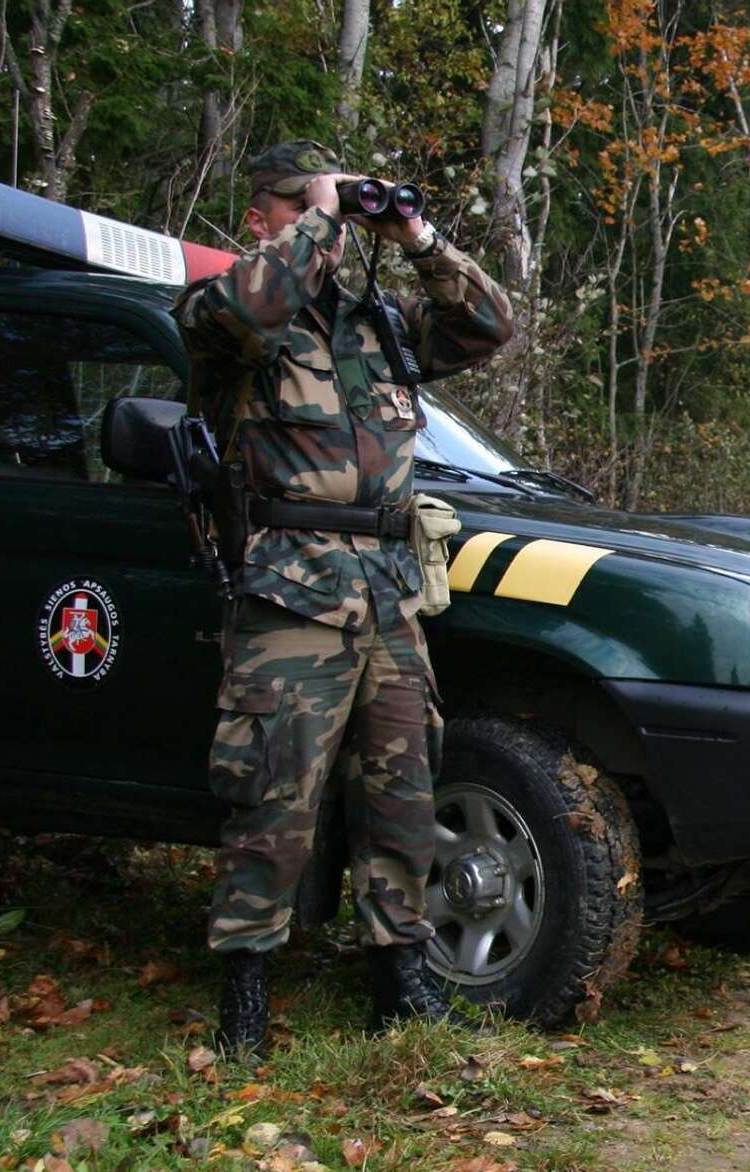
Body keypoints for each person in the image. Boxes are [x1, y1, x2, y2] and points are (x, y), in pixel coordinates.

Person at [175, 140, 514, 1055]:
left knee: (402, 795)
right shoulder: (228, 313)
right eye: (299, 204)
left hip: (389, 593)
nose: (324, 221)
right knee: (273, 799)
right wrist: (323, 215)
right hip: (290, 590)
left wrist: (414, 234)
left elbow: (488, 325)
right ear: (261, 217)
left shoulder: (380, 327)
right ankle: (245, 988)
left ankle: (398, 977)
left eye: (325, 205)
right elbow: (253, 303)